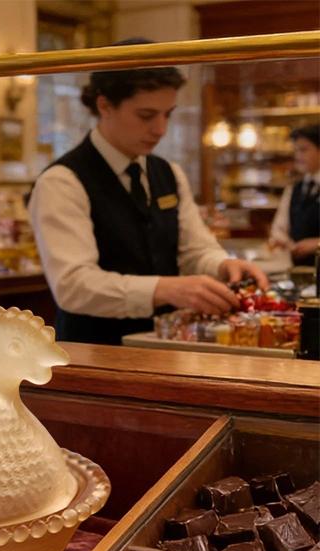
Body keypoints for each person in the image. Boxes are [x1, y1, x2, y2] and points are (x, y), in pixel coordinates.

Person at [29, 41, 269, 345]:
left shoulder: (169, 173)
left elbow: (195, 249)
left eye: (167, 114)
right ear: (104, 106)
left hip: (165, 345)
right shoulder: (62, 181)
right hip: (93, 353)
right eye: (146, 115)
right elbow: (74, 286)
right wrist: (165, 290)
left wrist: (222, 265)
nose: (161, 129)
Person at [269, 124, 320, 266]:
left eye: (304, 150)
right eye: (296, 150)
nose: (298, 156)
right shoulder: (293, 188)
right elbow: (278, 229)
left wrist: (317, 244)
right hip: (298, 271)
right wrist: (285, 243)